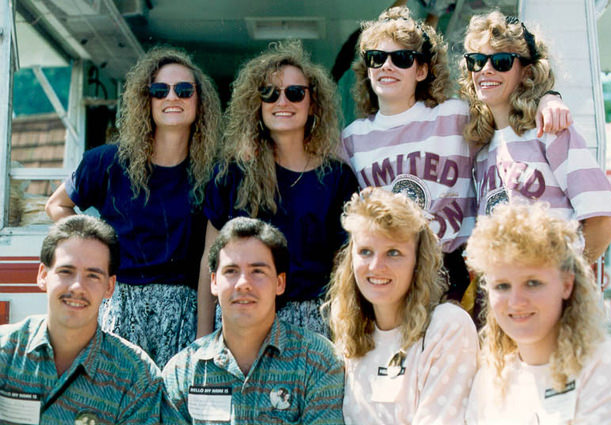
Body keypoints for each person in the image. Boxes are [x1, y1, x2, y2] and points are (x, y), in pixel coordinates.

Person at [340, 6, 572, 301]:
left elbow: (508, 103)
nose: (387, 66)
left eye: (401, 58)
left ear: (422, 70)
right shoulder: (351, 139)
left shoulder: (456, 115)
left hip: (452, 272)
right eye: (376, 58)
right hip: (389, 273)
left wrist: (549, 99)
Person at [45, 47, 221, 368]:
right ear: (146, 100)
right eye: (159, 90)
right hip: (120, 308)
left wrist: (203, 338)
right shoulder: (106, 161)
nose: (172, 97)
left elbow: (207, 265)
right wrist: (91, 253)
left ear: (200, 101)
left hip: (184, 313)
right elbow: (57, 205)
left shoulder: (214, 173)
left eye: (184, 90)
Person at [197, 40, 358, 337]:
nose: (282, 102)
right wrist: (203, 337)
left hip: (314, 325)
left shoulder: (337, 178)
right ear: (256, 104)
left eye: (295, 93)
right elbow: (211, 260)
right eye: (270, 93)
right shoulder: (231, 175)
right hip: (240, 320)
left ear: (313, 105)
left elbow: (343, 273)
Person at [459, 11, 611, 262]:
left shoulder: (550, 132)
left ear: (527, 72)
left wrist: (565, 282)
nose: (486, 70)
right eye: (477, 61)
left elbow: (604, 219)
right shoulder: (480, 149)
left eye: (501, 61)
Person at [162, 217, 345, 424]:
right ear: (213, 282)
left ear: (280, 282)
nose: (243, 284)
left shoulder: (317, 362)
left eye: (257, 271)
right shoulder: (182, 373)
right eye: (231, 271)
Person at [326, 187, 478, 424]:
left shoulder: (447, 326)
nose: (376, 266)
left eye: (393, 253)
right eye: (365, 251)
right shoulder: (351, 337)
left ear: (418, 262)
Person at [464, 202, 611, 424]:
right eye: (502, 286)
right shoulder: (489, 380)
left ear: (567, 285)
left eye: (532, 283)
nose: (516, 301)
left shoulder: (609, 364)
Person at [0, 215, 164, 423]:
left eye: (93, 275)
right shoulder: (5, 352)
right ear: (42, 275)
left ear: (109, 287)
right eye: (66, 271)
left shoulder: (136, 376)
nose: (77, 287)